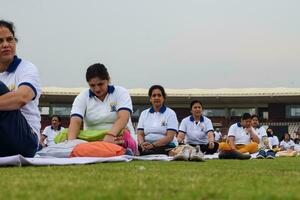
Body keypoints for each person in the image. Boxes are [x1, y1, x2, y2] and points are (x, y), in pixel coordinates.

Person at [67, 63, 136, 154]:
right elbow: (75, 121)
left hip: (116, 137)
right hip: (92, 139)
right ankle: (108, 151)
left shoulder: (120, 92)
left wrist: (110, 135)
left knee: (122, 138)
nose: (97, 89)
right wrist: (70, 145)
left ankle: (99, 151)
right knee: (65, 135)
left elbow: (123, 118)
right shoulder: (82, 97)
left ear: (108, 80)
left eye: (100, 84)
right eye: (92, 85)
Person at [0, 20, 41, 157]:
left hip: (26, 139)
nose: (6, 45)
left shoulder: (27, 68)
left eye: (9, 39)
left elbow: (21, 98)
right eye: (0, 41)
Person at [137, 85, 178, 155]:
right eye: (154, 95)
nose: (156, 97)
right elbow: (140, 134)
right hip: (146, 145)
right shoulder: (144, 113)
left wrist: (153, 145)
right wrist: (142, 144)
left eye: (159, 95)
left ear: (163, 98)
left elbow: (170, 137)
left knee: (150, 152)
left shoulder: (170, 113)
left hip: (166, 145)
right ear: (150, 98)